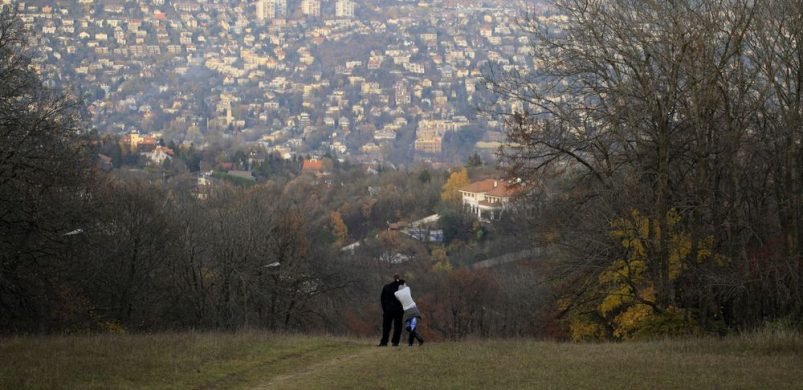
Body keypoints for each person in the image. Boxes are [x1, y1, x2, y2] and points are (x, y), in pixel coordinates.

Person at [394, 281, 424, 347]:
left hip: (413, 311)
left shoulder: (397, 293)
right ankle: (420, 339)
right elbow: (406, 287)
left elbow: (395, 292)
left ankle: (410, 344)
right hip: (409, 312)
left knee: (412, 328)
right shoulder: (407, 289)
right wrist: (404, 284)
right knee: (408, 328)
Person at [378, 274, 404, 346]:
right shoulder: (402, 288)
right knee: (398, 326)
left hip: (388, 310)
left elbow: (382, 299)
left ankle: (384, 342)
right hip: (399, 310)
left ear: (393, 278)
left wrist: (385, 309)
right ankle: (395, 342)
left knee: (386, 326)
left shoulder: (387, 287)